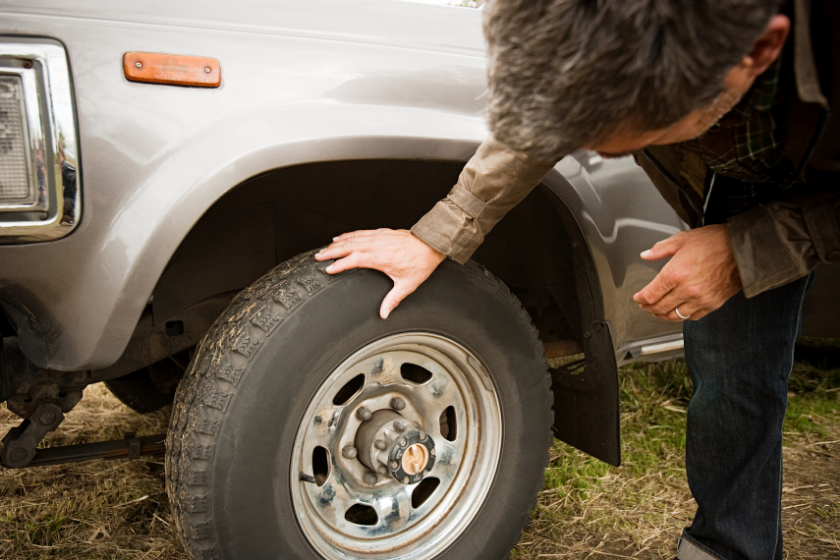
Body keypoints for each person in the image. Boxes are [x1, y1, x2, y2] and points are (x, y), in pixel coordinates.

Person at [316, 1, 839, 558]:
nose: (584, 154)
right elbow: (544, 122)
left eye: (621, 142)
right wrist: (439, 233)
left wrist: (747, 249)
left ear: (755, 52)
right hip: (738, 173)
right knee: (734, 382)